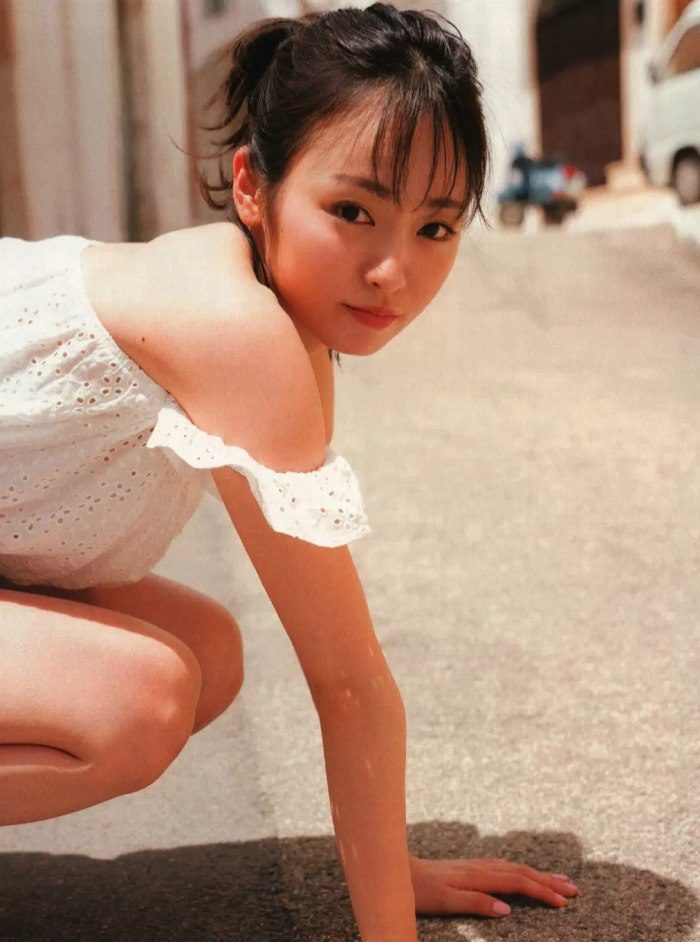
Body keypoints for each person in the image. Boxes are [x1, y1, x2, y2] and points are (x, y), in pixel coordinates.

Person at [0, 3, 578, 938]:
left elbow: (343, 677)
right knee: (139, 700)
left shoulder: (280, 322)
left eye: (436, 227)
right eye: (353, 212)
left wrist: (389, 872)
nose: (392, 270)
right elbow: (348, 682)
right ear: (252, 186)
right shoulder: (236, 331)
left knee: (208, 656)